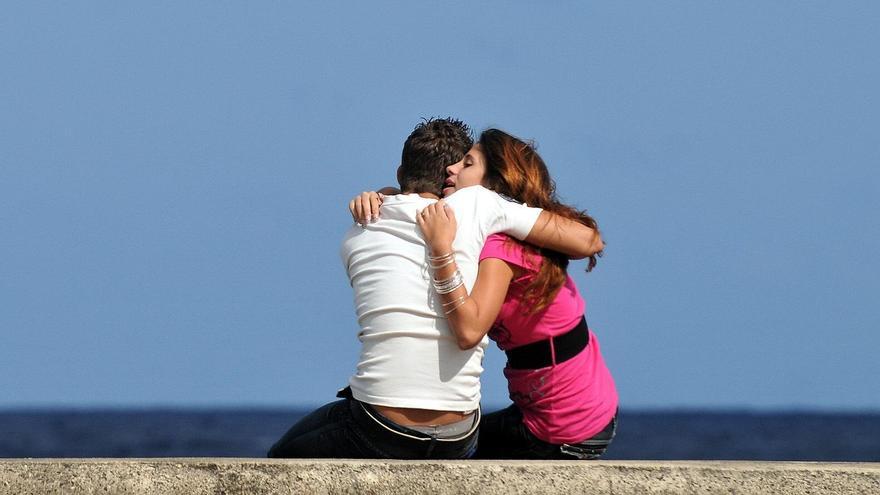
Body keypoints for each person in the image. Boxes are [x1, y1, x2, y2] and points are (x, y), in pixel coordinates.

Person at [267, 118, 603, 459]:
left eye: (468, 163)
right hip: (460, 433)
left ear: (401, 174)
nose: (456, 170)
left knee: (280, 458)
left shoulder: (358, 232)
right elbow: (588, 240)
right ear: (445, 177)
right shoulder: (482, 208)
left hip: (382, 426)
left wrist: (386, 198)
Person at [417, 128, 618, 459]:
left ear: (494, 183)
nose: (451, 168)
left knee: (440, 451)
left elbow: (469, 331)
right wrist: (382, 196)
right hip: (585, 411)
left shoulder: (501, 248)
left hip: (565, 427)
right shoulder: (507, 236)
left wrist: (441, 255)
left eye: (467, 163)